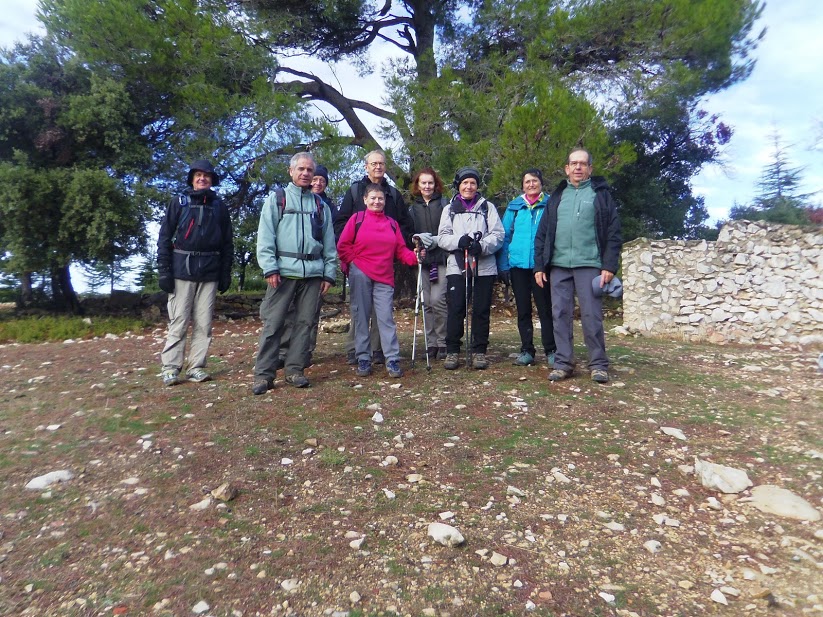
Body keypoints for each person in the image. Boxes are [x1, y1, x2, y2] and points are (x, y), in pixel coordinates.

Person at [534, 147, 622, 384]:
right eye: (574, 163)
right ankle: (563, 363)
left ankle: (598, 365)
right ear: (567, 168)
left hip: (590, 264)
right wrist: (539, 267)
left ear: (590, 169)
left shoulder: (601, 195)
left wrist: (609, 266)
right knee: (559, 314)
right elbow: (542, 234)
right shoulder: (556, 197)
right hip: (558, 265)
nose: (578, 168)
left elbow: (613, 233)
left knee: (592, 315)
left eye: (583, 164)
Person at [252, 152, 337, 393]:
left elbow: (329, 243)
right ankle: (263, 374)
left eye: (309, 170)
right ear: (291, 171)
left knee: (305, 324)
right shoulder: (277, 199)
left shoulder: (321, 206)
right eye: (301, 169)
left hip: (312, 274)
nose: (305, 173)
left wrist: (329, 273)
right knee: (273, 324)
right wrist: (269, 267)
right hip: (283, 272)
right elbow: (265, 236)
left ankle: (294, 370)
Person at [157, 159, 233, 386]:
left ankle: (196, 367)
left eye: (207, 176)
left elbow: (228, 243)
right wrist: (164, 271)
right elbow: (164, 238)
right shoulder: (179, 203)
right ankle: (170, 367)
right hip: (182, 270)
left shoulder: (219, 207)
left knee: (204, 323)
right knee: (179, 321)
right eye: (198, 175)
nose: (202, 178)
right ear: (192, 178)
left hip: (210, 272)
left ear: (212, 180)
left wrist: (225, 272)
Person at [335, 149, 415, 365]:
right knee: (359, 311)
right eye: (374, 163)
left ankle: (379, 350)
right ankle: (357, 351)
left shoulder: (394, 195)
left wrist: (405, 253)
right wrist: (351, 258)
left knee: (383, 313)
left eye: (381, 163)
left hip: (385, 263)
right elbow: (341, 225)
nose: (378, 167)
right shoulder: (354, 192)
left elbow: (404, 226)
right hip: (359, 264)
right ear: (366, 166)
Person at [437, 167, 504, 370]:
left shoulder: (487, 207)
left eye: (472, 183)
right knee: (456, 308)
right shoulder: (449, 208)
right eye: (465, 183)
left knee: (481, 309)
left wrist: (481, 245)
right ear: (458, 185)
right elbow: (442, 236)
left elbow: (498, 234)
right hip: (457, 266)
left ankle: (479, 351)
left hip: (484, 266)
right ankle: (453, 351)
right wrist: (459, 241)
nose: (468, 186)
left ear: (477, 186)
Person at [277, 163, 335, 368]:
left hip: (314, 269)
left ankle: (303, 353)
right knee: (286, 314)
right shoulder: (283, 200)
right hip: (288, 268)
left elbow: (330, 241)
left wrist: (329, 272)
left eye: (321, 180)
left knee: (309, 316)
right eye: (315, 178)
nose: (317, 181)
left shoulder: (325, 207)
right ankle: (283, 352)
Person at [497, 168, 556, 367]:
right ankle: (527, 350)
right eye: (527, 181)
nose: (531, 184)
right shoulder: (514, 207)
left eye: (534, 181)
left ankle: (551, 350)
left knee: (545, 309)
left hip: (541, 267)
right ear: (522, 185)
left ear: (541, 183)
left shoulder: (550, 204)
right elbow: (504, 237)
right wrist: (503, 265)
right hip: (518, 266)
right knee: (523, 310)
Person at [407, 167, 449, 360]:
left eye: (430, 182)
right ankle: (430, 343)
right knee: (425, 302)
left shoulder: (444, 204)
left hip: (441, 258)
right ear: (418, 185)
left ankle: (443, 342)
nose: (427, 186)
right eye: (423, 183)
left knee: (438, 300)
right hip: (422, 260)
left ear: (435, 184)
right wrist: (414, 242)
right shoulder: (412, 208)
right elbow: (408, 233)